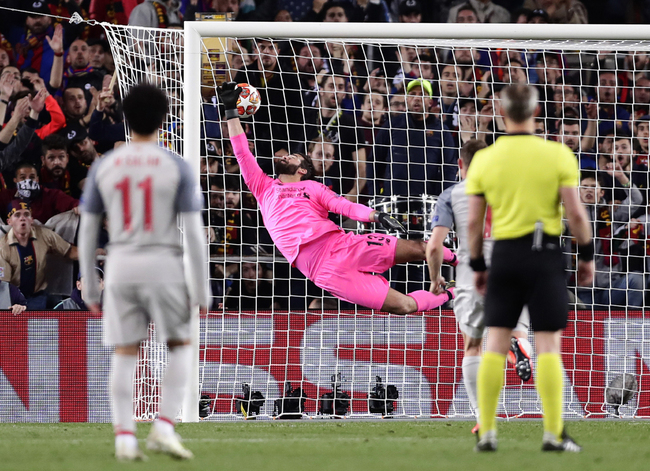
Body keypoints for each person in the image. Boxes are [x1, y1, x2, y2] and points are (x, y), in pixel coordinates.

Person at [218, 82, 456, 315]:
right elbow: (241, 151)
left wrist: (377, 215)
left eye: (293, 157)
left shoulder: (314, 187)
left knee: (417, 248)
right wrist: (231, 112)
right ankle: (453, 294)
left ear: (302, 170)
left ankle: (458, 260)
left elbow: (344, 206)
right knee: (403, 306)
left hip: (343, 245)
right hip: (323, 270)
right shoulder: (263, 187)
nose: (286, 157)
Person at [78, 83, 207, 461]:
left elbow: (88, 228)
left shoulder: (106, 164)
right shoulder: (174, 164)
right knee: (181, 344)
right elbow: (195, 233)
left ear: (125, 119)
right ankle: (164, 427)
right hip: (163, 260)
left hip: (119, 263)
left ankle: (123, 437)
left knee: (124, 352)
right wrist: (201, 285)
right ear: (164, 119)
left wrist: (89, 281)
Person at [465, 84, 593, 452]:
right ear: (537, 113)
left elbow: (474, 224)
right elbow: (576, 213)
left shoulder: (485, 159)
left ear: (502, 114)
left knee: (495, 343)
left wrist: (477, 264)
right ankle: (553, 434)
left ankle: (487, 433)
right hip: (545, 253)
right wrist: (586, 256)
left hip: (503, 253)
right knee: (548, 344)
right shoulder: (557, 154)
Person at [426, 139, 533, 434]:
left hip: (472, 274)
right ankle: (520, 345)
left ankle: (484, 418)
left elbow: (435, 246)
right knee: (515, 331)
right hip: (512, 267)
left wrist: (436, 278)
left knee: (473, 345)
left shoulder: (452, 194)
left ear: (461, 165)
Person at [0, 200, 78, 310]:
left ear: (32, 219)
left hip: (38, 296)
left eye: (26, 214)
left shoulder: (44, 235)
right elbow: (4, 285)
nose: (22, 218)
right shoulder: (2, 247)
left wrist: (93, 254)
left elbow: (69, 251)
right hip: (14, 298)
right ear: (9, 221)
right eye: (17, 215)